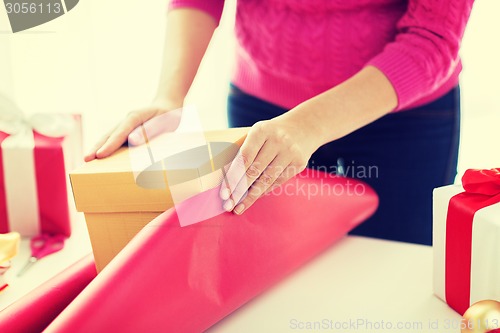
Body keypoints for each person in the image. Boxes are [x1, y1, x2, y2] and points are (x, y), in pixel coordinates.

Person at [85, 0, 474, 245]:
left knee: (393, 265)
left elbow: (433, 37)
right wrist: (169, 97)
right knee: (268, 269)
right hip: (264, 108)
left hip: (402, 117)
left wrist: (308, 126)